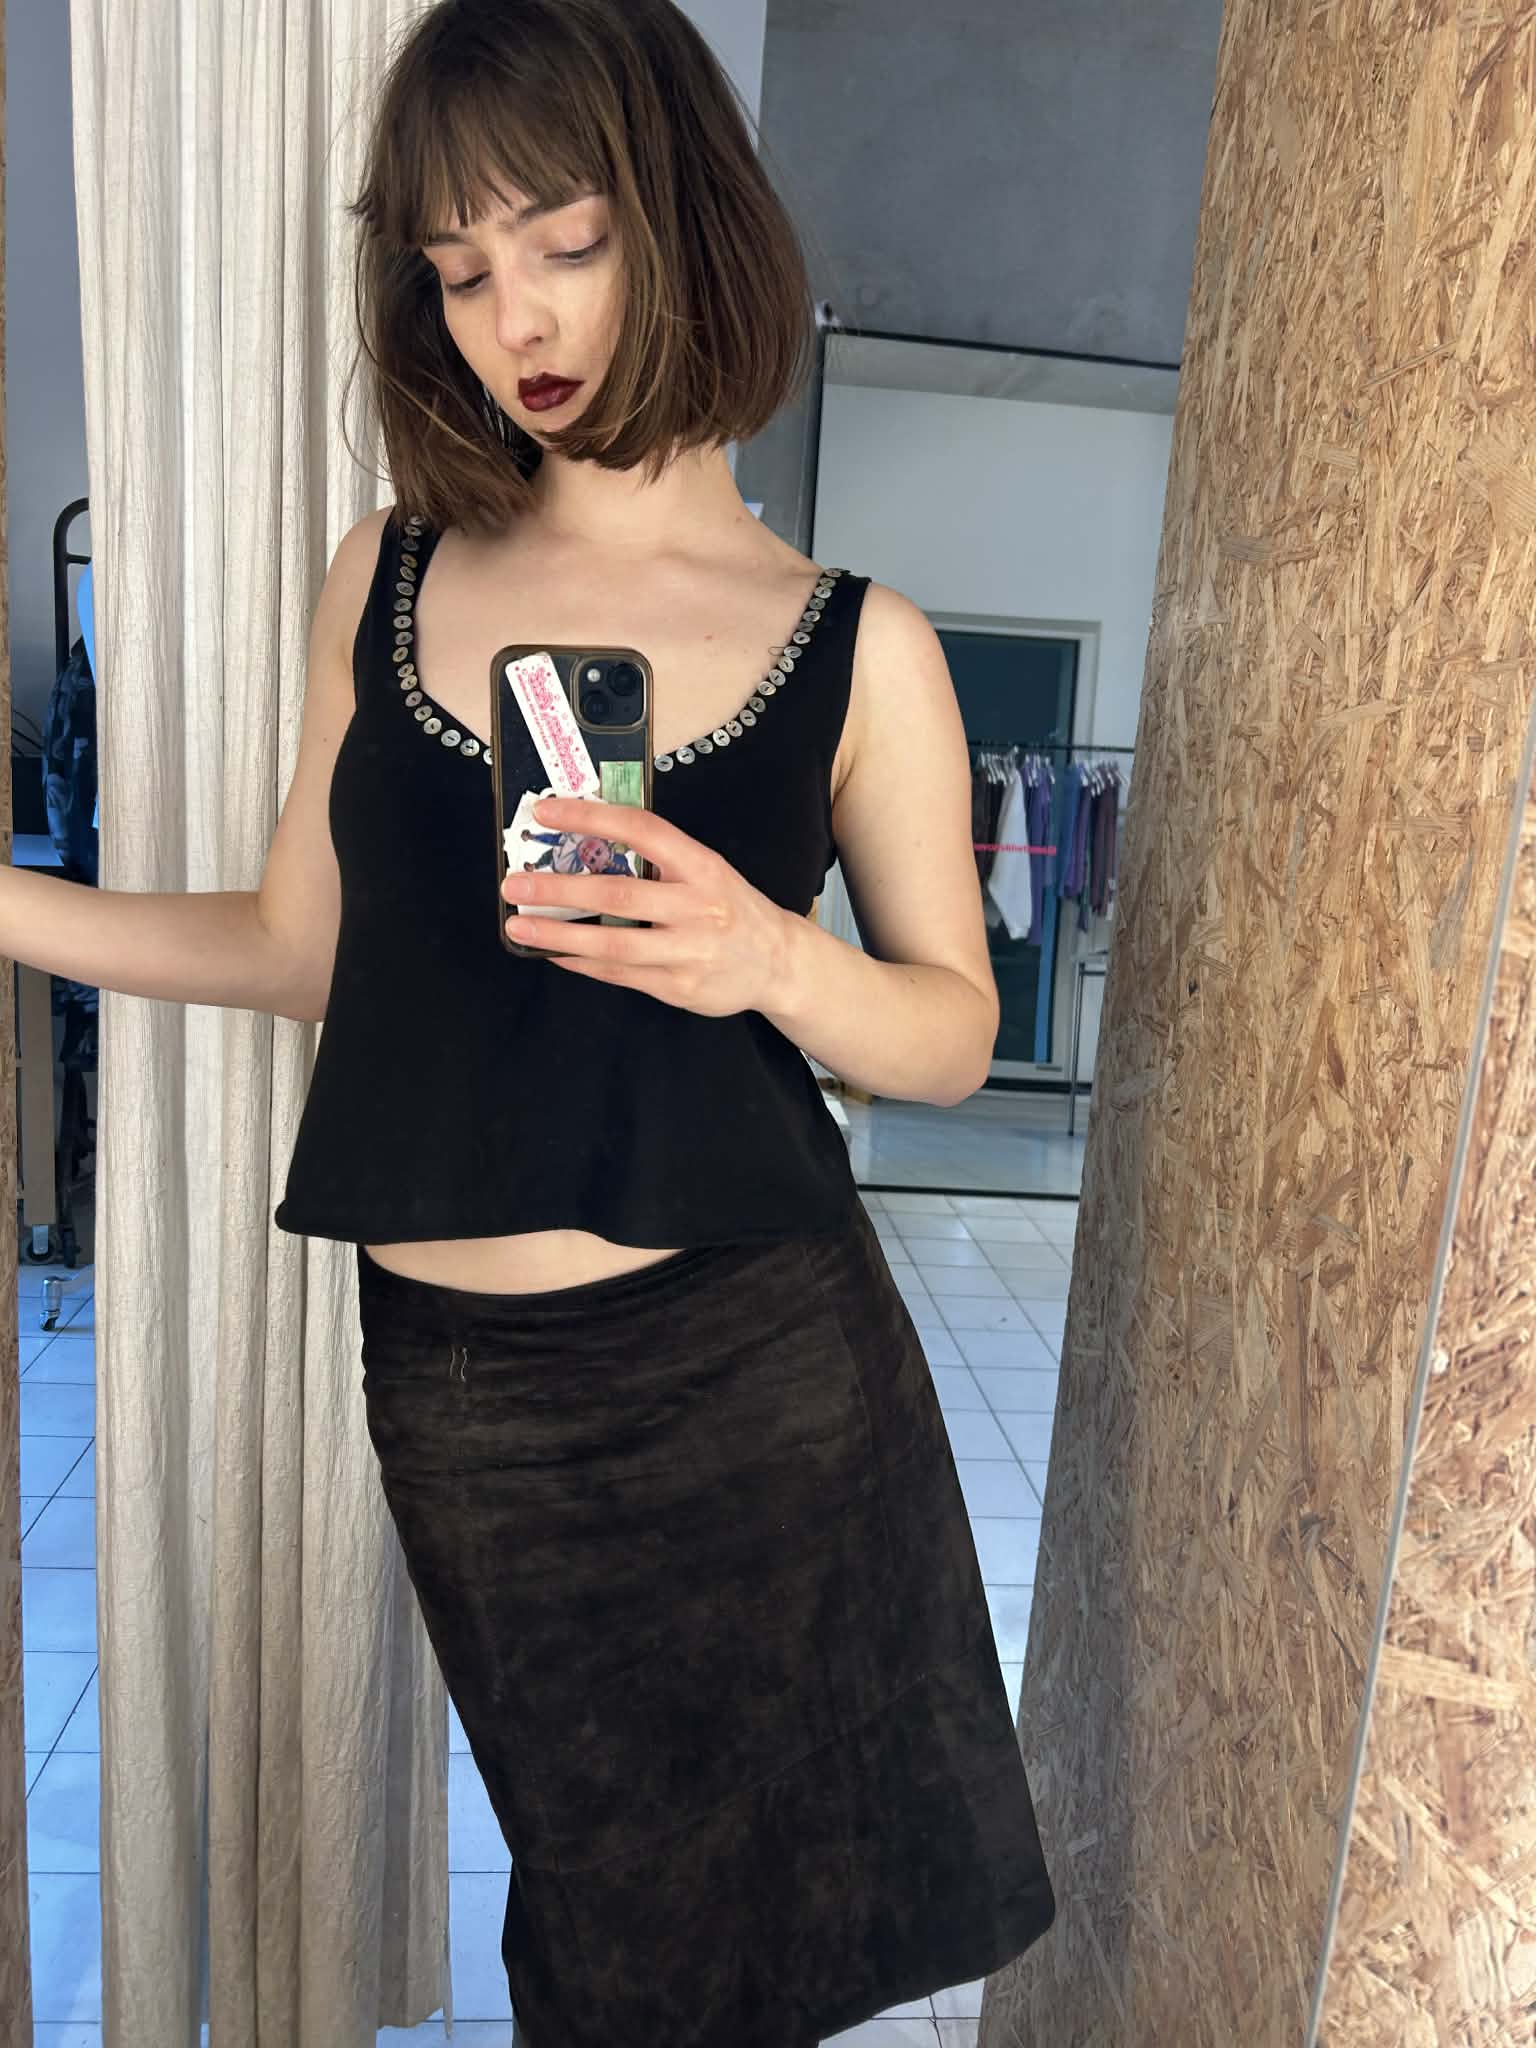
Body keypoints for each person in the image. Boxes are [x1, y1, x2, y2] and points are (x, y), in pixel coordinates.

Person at [8, 0, 1054, 2040]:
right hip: (462, 1387)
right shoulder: (385, 576)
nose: (519, 321)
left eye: (564, 242)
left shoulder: (858, 646)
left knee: (734, 1943)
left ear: (680, 217)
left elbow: (948, 1037)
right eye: (461, 271)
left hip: (762, 1369)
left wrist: (764, 957)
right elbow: (297, 948)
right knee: (603, 1909)